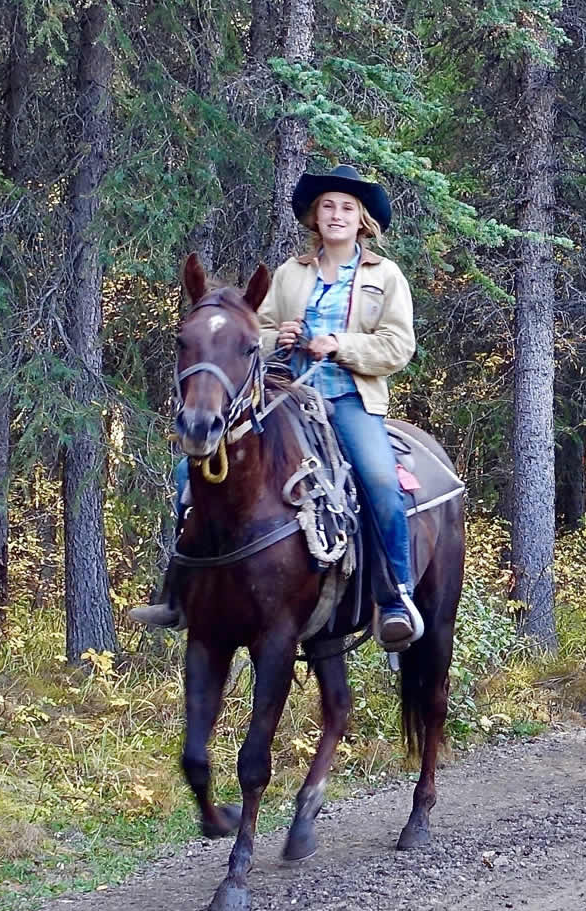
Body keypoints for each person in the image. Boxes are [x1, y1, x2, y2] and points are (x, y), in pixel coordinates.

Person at [132, 164, 425, 651]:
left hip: (351, 398)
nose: (336, 215)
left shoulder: (384, 277)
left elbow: (399, 346)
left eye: (347, 208)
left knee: (379, 481)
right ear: (315, 217)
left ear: (362, 221)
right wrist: (277, 337)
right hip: (285, 395)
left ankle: (396, 598)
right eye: (328, 206)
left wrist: (339, 344)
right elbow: (251, 335)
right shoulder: (290, 274)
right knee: (189, 474)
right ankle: (179, 590)